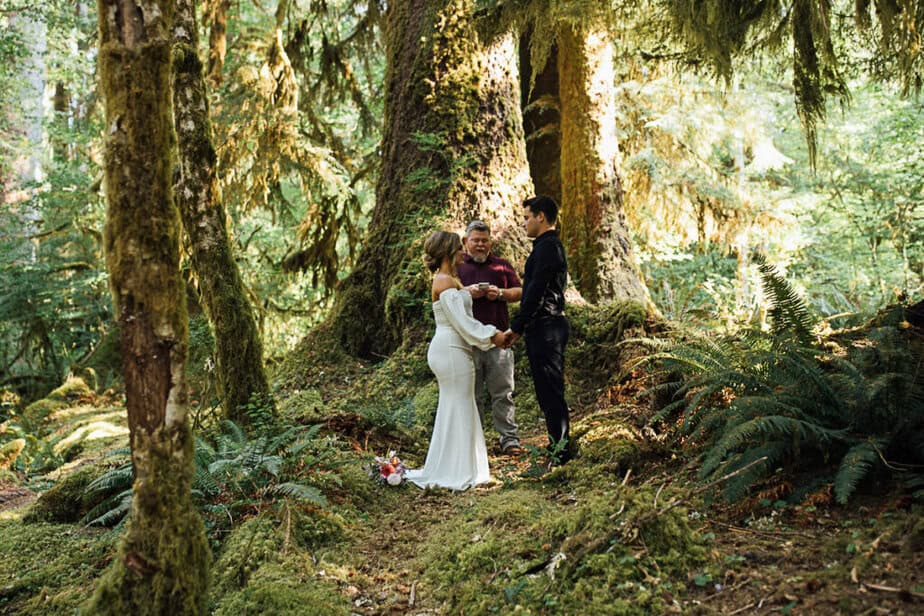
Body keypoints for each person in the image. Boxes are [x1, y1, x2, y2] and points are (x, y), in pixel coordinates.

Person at [406, 231, 509, 490]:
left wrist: (469, 293)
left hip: (451, 348)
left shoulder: (450, 280)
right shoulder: (445, 281)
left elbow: (459, 310)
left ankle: (459, 467)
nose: (463, 251)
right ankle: (458, 471)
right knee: (460, 405)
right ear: (449, 252)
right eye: (458, 248)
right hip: (451, 349)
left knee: (456, 406)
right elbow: (462, 323)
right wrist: (492, 335)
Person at [504, 196, 573, 465]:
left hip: (548, 327)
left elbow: (536, 291)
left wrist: (517, 326)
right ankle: (558, 447)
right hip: (542, 326)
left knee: (551, 391)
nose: (524, 223)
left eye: (527, 217)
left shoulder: (549, 248)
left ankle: (561, 453)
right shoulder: (544, 247)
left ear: (540, 217)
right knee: (546, 392)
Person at [457, 220, 524, 456]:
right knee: (471, 394)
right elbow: (444, 295)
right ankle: (475, 442)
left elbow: (519, 292)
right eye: (475, 240)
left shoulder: (502, 266)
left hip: (499, 340)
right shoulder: (457, 267)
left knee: (503, 392)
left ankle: (509, 439)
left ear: (490, 242)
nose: (480, 245)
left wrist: (501, 294)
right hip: (468, 342)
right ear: (466, 241)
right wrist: (467, 292)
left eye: (484, 240)